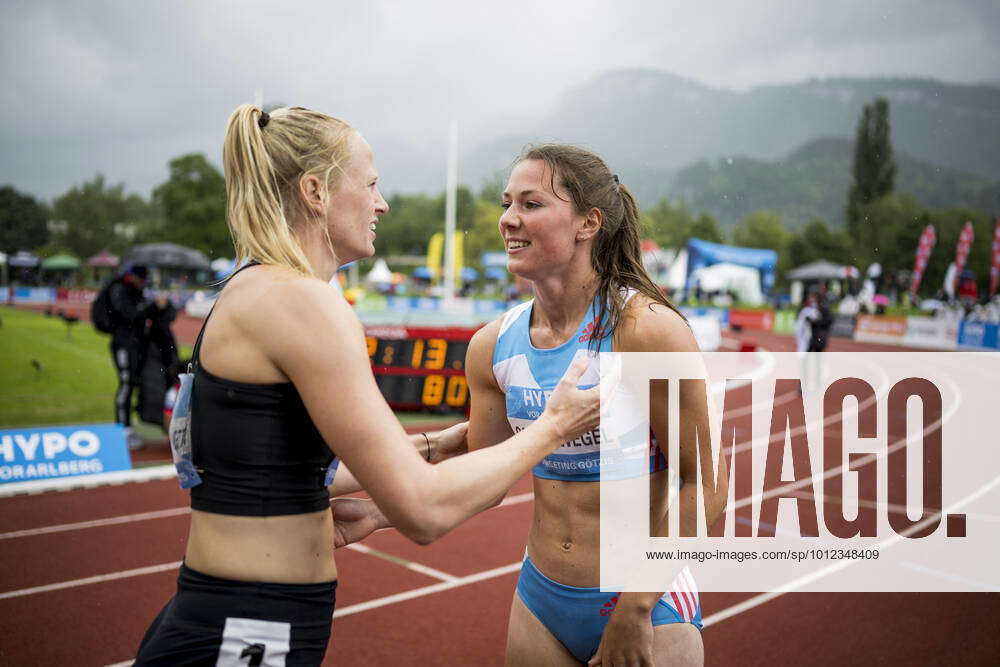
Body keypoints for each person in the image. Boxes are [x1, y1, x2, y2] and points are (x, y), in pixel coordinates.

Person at [133, 106, 600, 666]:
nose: (381, 203)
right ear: (315, 191)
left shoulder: (251, 287)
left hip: (230, 611)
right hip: (250, 626)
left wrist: (429, 446)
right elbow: (424, 512)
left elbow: (276, 472)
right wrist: (552, 428)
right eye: (371, 185)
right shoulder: (302, 303)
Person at [466, 145, 725, 666]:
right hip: (540, 600)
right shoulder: (492, 345)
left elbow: (708, 482)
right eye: (506, 203)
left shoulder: (646, 330)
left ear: (589, 222)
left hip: (646, 602)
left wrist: (634, 608)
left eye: (531, 204)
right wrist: (379, 507)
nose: (508, 219)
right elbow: (481, 474)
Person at [107, 264, 168, 449]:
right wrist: (154, 307)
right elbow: (131, 315)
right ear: (133, 277)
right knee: (126, 383)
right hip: (123, 344)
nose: (143, 283)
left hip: (136, 345)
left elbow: (141, 316)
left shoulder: (136, 291)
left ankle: (128, 425)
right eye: (141, 279)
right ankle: (122, 430)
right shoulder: (119, 289)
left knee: (133, 383)